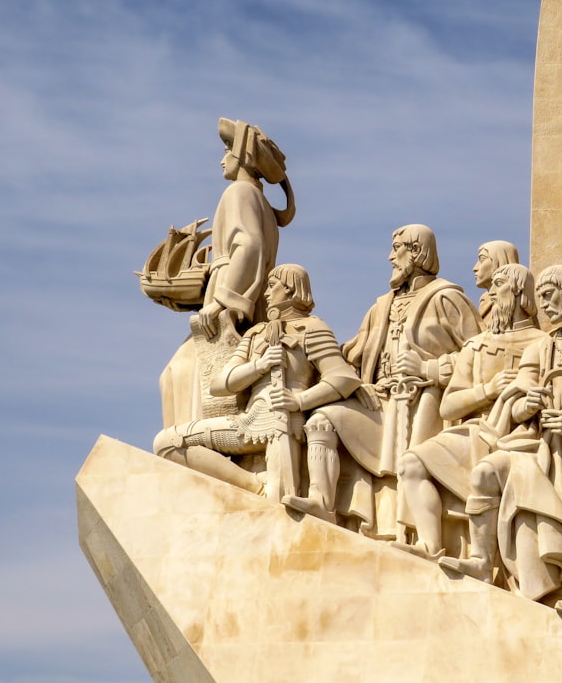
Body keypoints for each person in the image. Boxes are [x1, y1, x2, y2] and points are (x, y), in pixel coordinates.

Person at [438, 265, 562, 601]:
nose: (543, 305)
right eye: (540, 297)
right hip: (541, 445)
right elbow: (516, 405)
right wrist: (527, 404)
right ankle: (482, 561)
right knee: (487, 472)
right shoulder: (540, 348)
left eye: (549, 295)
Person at [283, 225, 483, 533]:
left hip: (423, 405)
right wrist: (359, 383)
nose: (391, 256)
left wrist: (429, 368)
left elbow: (481, 355)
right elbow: (350, 357)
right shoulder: (381, 306)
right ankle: (322, 504)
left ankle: (420, 536)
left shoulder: (447, 298)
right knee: (322, 420)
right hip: (379, 403)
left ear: (416, 253)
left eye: (397, 248)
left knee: (413, 468)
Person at [153, 265, 360, 501]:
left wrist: (299, 401)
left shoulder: (312, 329)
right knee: (167, 443)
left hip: (284, 421)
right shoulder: (256, 333)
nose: (266, 294)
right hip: (248, 423)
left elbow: (342, 378)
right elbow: (220, 384)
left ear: (291, 289)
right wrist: (259, 365)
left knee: (280, 502)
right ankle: (254, 487)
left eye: (273, 286)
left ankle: (268, 491)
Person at [396, 263, 547, 558]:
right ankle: (430, 546)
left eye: (498, 285)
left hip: (521, 436)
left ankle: (483, 559)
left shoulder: (544, 343)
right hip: (475, 432)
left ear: (518, 291)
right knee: (411, 464)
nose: (489, 293)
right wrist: (488, 390)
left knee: (486, 475)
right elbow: (449, 404)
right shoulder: (476, 346)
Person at [159, 119, 295, 426]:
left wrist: (225, 302)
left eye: (227, 149)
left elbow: (248, 245)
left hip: (233, 298)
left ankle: (190, 446)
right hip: (248, 294)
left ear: (244, 154)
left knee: (180, 371)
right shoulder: (259, 201)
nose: (222, 158)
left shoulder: (239, 192)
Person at [471, 240, 520, 318]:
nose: (475, 268)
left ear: (500, 260)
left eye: (482, 260)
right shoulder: (484, 299)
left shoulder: (517, 300)